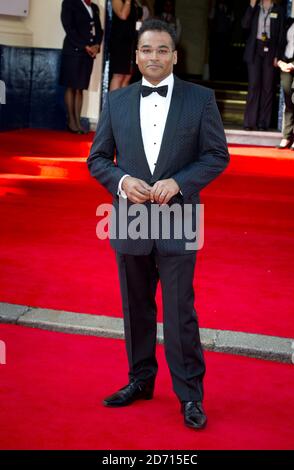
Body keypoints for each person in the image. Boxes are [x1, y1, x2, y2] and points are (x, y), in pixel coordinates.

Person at [87, 19, 229, 429]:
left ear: (174, 56)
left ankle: (190, 395)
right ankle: (140, 380)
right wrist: (122, 181)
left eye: (162, 50)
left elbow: (217, 155)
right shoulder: (116, 101)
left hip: (179, 216)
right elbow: (97, 159)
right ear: (136, 55)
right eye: (146, 50)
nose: (154, 57)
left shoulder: (200, 99)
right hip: (130, 216)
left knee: (180, 309)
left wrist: (180, 182)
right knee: (135, 306)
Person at [60, 0, 103, 134]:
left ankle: (77, 122)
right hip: (73, 51)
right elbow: (69, 28)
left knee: (80, 88)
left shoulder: (94, 7)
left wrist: (96, 45)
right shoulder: (69, 3)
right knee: (71, 86)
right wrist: (84, 46)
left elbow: (99, 30)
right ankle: (71, 122)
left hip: (88, 54)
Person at [242, 0, 284, 131]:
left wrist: (278, 55)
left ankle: (263, 123)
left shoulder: (278, 10)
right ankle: (250, 122)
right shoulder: (254, 8)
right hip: (255, 49)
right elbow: (244, 25)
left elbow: (281, 35)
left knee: (267, 87)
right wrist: (252, 6)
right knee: (254, 85)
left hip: (270, 50)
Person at [276, 0, 294, 149]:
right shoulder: (290, 21)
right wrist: (279, 61)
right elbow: (280, 42)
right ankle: (286, 136)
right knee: (288, 100)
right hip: (285, 65)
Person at [109, 0, 143, 91]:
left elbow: (139, 18)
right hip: (120, 42)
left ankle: (122, 104)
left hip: (132, 42)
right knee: (119, 75)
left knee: (127, 76)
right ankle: (113, 104)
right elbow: (123, 15)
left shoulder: (135, 2)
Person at [208, 0, 234, 81]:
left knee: (223, 57)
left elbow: (231, 23)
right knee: (213, 57)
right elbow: (210, 20)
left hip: (225, 37)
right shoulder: (214, 9)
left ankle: (221, 77)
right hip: (216, 37)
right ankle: (212, 76)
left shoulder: (229, 10)